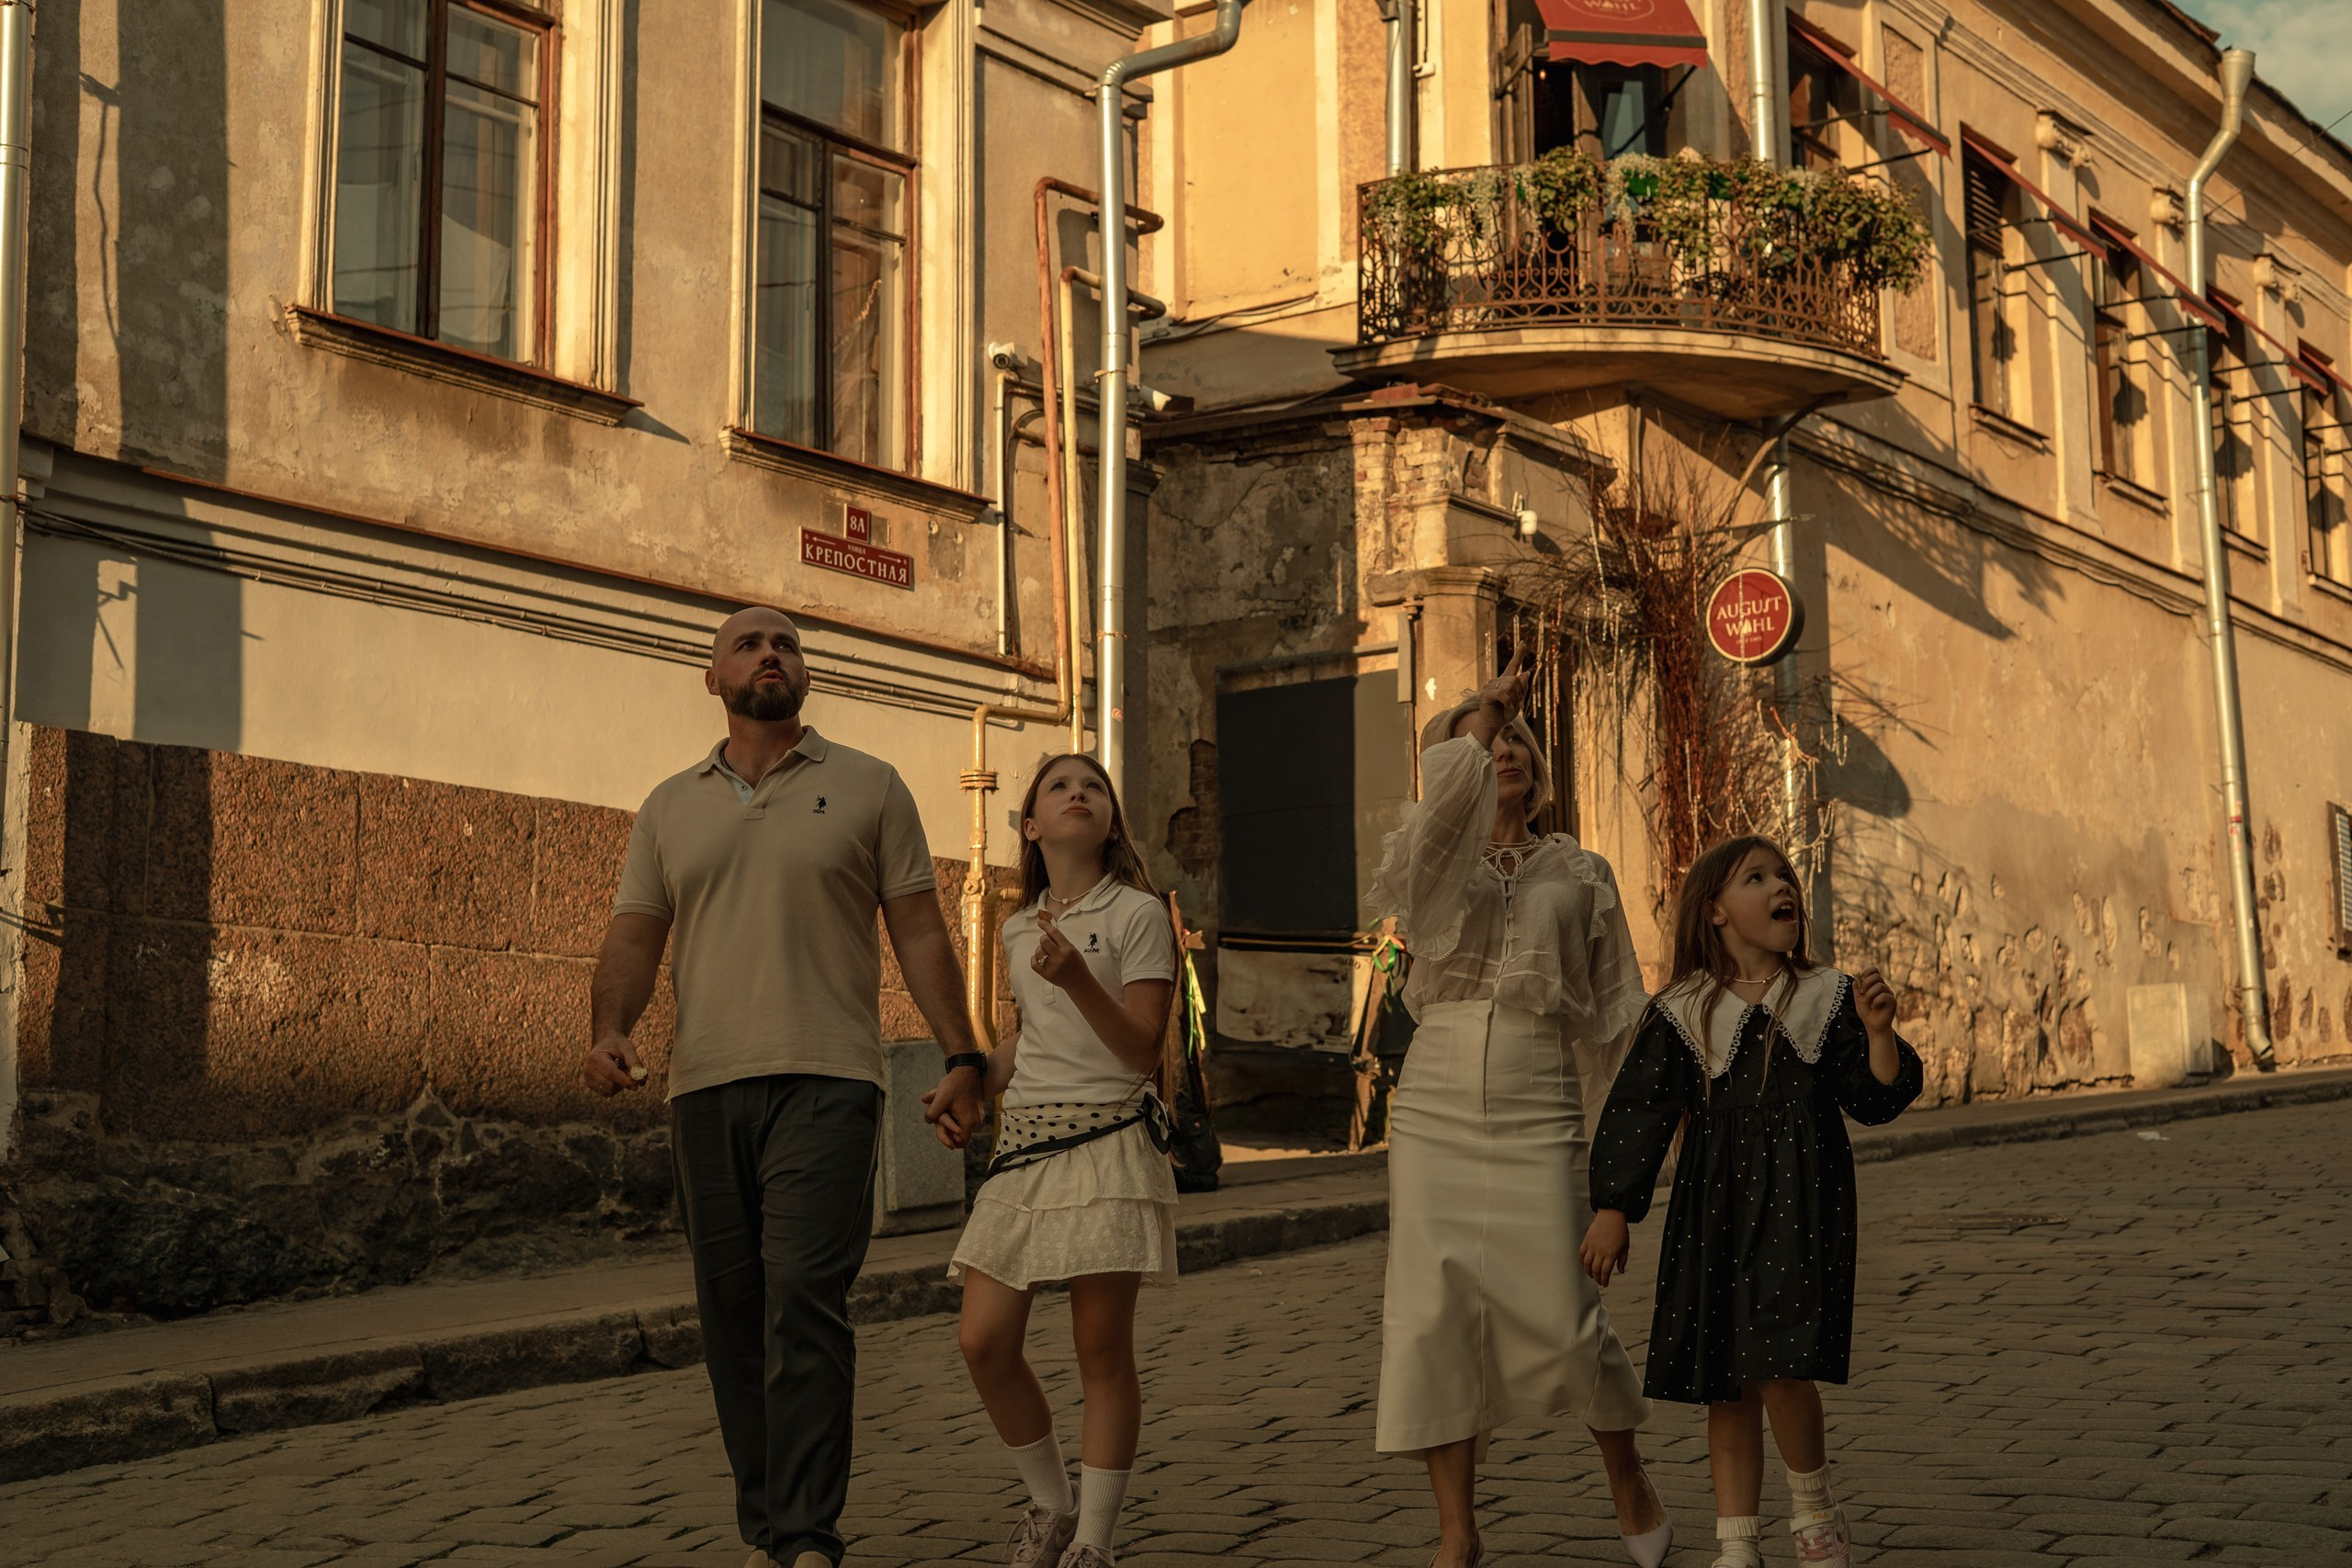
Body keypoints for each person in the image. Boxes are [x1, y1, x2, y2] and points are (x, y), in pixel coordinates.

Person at [581, 605, 989, 1568]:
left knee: (803, 1293)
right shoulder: (668, 805)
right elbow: (636, 936)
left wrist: (961, 1055)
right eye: (749, 645)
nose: (771, 655)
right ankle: (767, 1528)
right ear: (713, 678)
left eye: (787, 644)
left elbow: (921, 930)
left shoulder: (869, 787)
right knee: (730, 1312)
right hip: (705, 1087)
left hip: (828, 1080)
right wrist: (609, 1029)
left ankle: (805, 1535)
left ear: (803, 672)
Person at [1364, 648, 1672, 1568]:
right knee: (1432, 1312)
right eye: (1489, 743)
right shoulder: (1426, 859)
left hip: (1543, 1095)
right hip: (1436, 1098)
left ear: (1539, 775)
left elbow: (1616, 1028)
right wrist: (1481, 709)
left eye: (1519, 744)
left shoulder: (1581, 872)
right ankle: (1457, 1531)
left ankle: (1626, 1474)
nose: (1505, 753)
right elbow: (1439, 784)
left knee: (1565, 1308)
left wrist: (1617, 1183)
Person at [1580, 835, 1924, 1568]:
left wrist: (1879, 1033)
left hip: (1802, 1207)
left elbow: (1874, 1098)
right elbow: (1639, 1109)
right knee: (1726, 1381)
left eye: (1784, 876)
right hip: (1714, 1213)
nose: (1781, 886)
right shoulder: (1681, 1010)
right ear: (1715, 911)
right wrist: (1614, 1205)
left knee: (1782, 1362)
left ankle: (1814, 1511)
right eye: (1757, 877)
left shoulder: (1825, 998)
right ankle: (1736, 1541)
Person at [944, 752, 1179, 1568]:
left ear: (1111, 819)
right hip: (1026, 1148)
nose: (1080, 792)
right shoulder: (1017, 926)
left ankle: (1092, 1542)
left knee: (1101, 1347)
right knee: (984, 1338)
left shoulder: (1139, 913)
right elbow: (1034, 1041)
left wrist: (1080, 977)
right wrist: (973, 1079)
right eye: (1059, 786)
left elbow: (1142, 1050)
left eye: (1095, 787)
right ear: (1031, 826)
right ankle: (1050, 1501)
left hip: (1109, 1141)